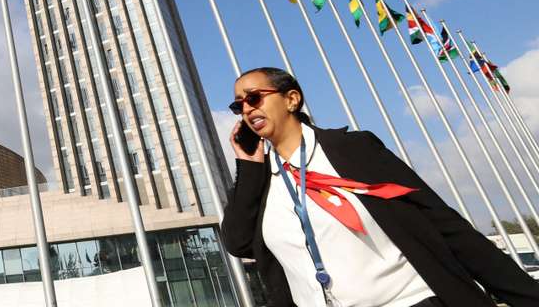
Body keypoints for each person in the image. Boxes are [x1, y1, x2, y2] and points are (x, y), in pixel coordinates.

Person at [220, 66, 539, 307]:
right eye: (239, 106)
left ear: (291, 99)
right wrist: (248, 168)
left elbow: (443, 222)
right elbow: (238, 243)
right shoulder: (261, 181)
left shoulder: (353, 149)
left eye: (254, 97)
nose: (247, 109)